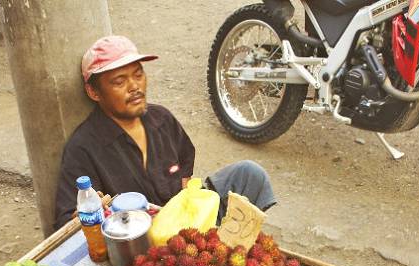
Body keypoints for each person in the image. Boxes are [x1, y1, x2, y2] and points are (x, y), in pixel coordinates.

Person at [54, 35, 276, 230]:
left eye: (138, 75)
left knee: (249, 173)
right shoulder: (83, 147)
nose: (134, 87)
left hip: (185, 221)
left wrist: (191, 205)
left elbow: (184, 170)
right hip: (145, 244)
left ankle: (229, 245)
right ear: (94, 92)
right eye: (119, 81)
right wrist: (91, 212)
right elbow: (67, 222)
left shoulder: (161, 118)